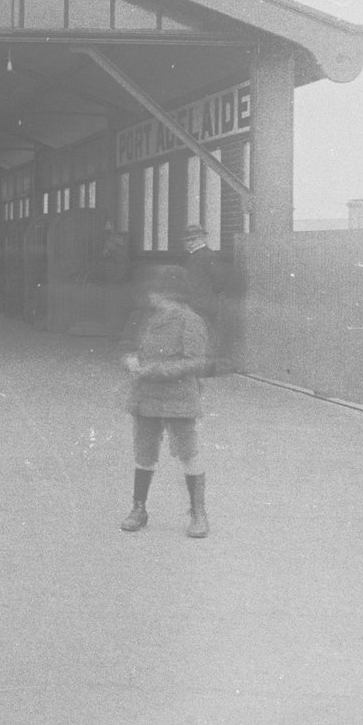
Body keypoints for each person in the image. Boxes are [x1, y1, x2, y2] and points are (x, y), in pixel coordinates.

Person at [119, 265, 212, 537]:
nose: (151, 297)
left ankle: (198, 513)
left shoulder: (190, 320)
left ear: (169, 294)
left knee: (188, 453)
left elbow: (196, 361)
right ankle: (139, 508)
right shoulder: (145, 318)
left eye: (156, 292)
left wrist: (152, 370)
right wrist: (129, 360)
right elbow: (126, 346)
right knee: (144, 453)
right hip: (146, 397)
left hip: (179, 398)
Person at [180, 223, 238, 370]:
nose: (189, 243)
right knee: (201, 334)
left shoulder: (208, 256)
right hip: (199, 302)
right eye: (187, 240)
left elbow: (220, 280)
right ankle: (203, 367)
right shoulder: (197, 256)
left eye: (193, 239)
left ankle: (208, 367)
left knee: (206, 334)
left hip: (205, 303)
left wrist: (208, 294)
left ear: (202, 239)